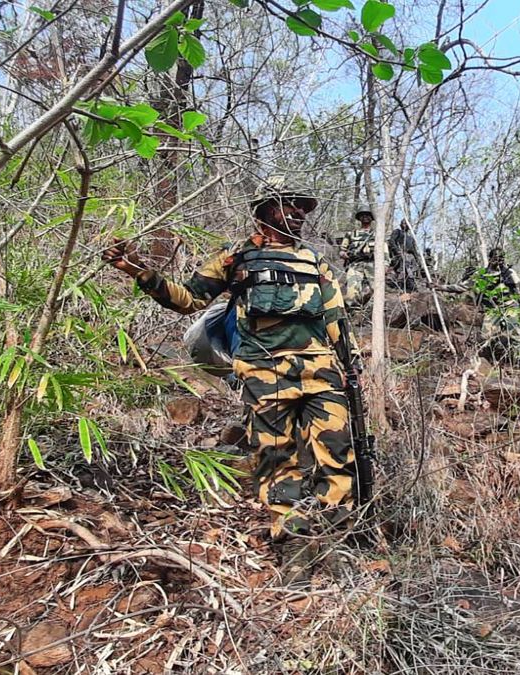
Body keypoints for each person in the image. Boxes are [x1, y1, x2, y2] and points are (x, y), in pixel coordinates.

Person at [102, 187, 357, 577]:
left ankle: (330, 537)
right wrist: (141, 272)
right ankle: (293, 545)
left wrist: (352, 367)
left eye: (303, 207)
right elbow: (187, 298)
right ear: (265, 211)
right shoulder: (235, 257)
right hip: (263, 371)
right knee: (275, 458)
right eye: (290, 205)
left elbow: (336, 319)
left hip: (321, 371)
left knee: (337, 456)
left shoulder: (314, 260)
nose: (299, 214)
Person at [339, 209, 376, 310]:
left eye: (368, 215)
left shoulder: (377, 234)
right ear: (359, 219)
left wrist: (385, 265)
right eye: (362, 215)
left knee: (374, 290)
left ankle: (366, 310)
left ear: (372, 218)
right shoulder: (351, 234)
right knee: (351, 291)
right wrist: (344, 254)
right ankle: (354, 311)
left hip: (372, 265)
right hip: (355, 265)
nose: (365, 217)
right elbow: (342, 250)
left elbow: (384, 251)